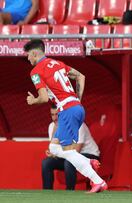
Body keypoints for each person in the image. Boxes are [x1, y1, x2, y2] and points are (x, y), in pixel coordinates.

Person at [24, 39, 107, 193]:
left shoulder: (35, 72)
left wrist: (32, 100)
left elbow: (42, 98)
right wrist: (77, 101)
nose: (27, 58)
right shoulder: (58, 63)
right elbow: (81, 77)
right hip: (75, 107)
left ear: (34, 53)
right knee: (54, 147)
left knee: (68, 151)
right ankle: (88, 161)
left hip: (68, 110)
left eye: (28, 55)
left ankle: (98, 181)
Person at [42, 105, 100, 190]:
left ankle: (69, 192)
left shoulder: (78, 125)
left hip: (90, 155)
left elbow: (76, 151)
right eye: (52, 115)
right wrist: (52, 152)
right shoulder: (52, 126)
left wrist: (57, 153)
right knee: (46, 162)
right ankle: (47, 192)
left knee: (69, 162)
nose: (55, 118)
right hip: (68, 155)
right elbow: (54, 147)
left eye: (57, 115)